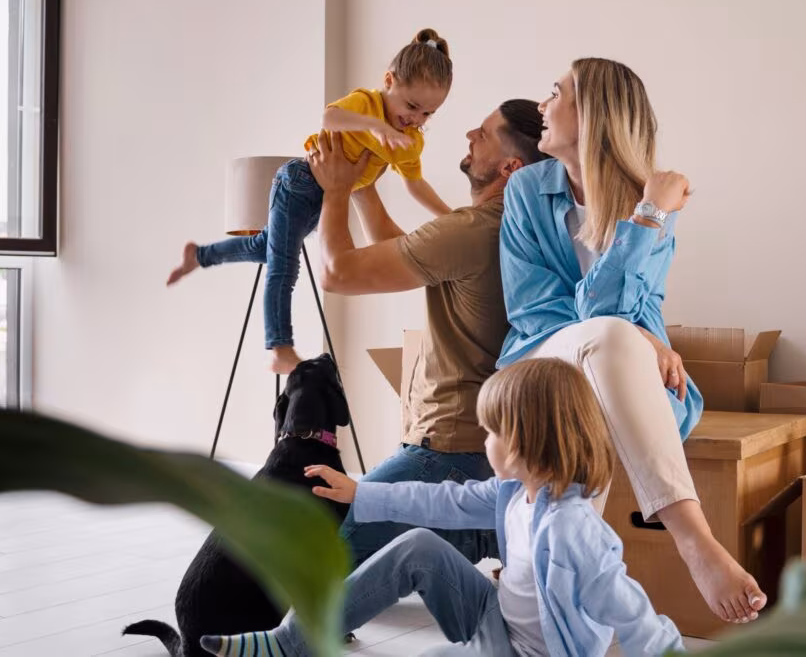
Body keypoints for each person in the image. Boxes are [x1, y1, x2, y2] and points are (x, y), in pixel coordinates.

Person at [497, 57, 767, 623]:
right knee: (608, 346)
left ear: (593, 113)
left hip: (617, 373)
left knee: (587, 415)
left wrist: (645, 217)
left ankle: (565, 618)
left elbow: (613, 312)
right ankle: (694, 540)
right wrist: (640, 330)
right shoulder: (526, 190)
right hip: (539, 362)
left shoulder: (652, 201)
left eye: (556, 93)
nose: (541, 106)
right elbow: (538, 312)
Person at [200, 358, 687, 657]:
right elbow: (441, 501)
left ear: (528, 440)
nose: (485, 440)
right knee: (418, 544)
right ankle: (290, 645)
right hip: (495, 618)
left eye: (493, 432)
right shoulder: (514, 494)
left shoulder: (572, 529)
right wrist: (361, 493)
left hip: (524, 653)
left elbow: (631, 611)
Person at [301, 99, 549, 569]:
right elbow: (399, 245)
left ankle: (483, 534)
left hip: (452, 452)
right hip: (481, 449)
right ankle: (486, 527)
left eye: (484, 133)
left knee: (318, 555)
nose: (470, 135)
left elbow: (337, 274)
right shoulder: (516, 228)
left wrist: (334, 189)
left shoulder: (471, 230)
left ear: (511, 167)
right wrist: (362, 180)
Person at [166, 28, 455, 374]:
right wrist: (376, 128)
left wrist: (452, 216)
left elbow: (415, 184)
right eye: (411, 106)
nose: (416, 119)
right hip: (300, 182)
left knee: (264, 248)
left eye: (428, 114)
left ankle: (198, 256)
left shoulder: (410, 140)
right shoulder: (369, 104)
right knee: (284, 266)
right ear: (389, 81)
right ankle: (279, 348)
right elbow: (329, 118)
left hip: (325, 200)